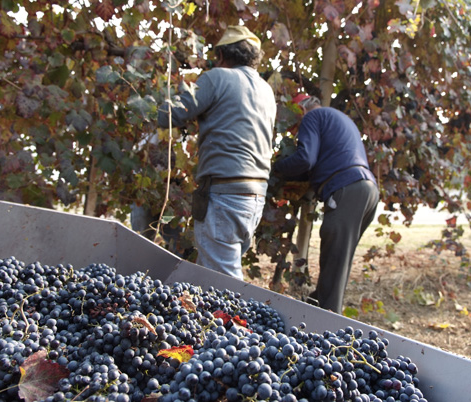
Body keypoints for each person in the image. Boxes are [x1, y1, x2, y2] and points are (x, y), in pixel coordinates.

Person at [157, 26, 276, 280]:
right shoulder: (267, 91)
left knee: (224, 284)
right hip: (254, 197)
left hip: (224, 195)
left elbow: (172, 114)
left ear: (223, 55)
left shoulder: (217, 78)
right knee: (210, 274)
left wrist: (147, 100)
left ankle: (243, 320)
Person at [273, 95, 379, 314]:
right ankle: (314, 306)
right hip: (367, 190)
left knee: (334, 263)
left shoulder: (313, 117)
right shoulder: (339, 118)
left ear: (300, 110)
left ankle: (328, 327)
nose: (295, 132)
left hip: (347, 188)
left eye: (294, 126)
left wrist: (275, 168)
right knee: (336, 262)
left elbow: (305, 159)